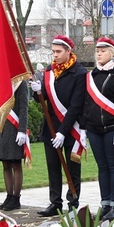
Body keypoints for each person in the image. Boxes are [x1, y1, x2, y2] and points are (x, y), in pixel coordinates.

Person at [30, 35, 87, 217]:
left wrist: (63, 132)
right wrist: (37, 91)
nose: (55, 55)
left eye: (58, 52)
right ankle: (55, 202)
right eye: (53, 52)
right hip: (51, 126)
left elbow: (77, 105)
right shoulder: (49, 72)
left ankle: (72, 202)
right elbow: (44, 99)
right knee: (53, 167)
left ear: (68, 51)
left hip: (71, 128)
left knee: (72, 168)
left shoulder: (79, 73)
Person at [81, 37, 114, 221]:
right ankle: (105, 203)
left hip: (112, 128)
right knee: (102, 167)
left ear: (112, 52)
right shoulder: (92, 75)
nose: (99, 53)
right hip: (94, 128)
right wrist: (83, 128)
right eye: (97, 50)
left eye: (103, 50)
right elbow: (87, 103)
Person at [0, 77, 30, 211]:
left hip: (14, 129)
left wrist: (22, 129)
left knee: (15, 163)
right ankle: (9, 196)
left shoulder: (19, 83)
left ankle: (16, 198)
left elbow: (23, 108)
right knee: (5, 163)